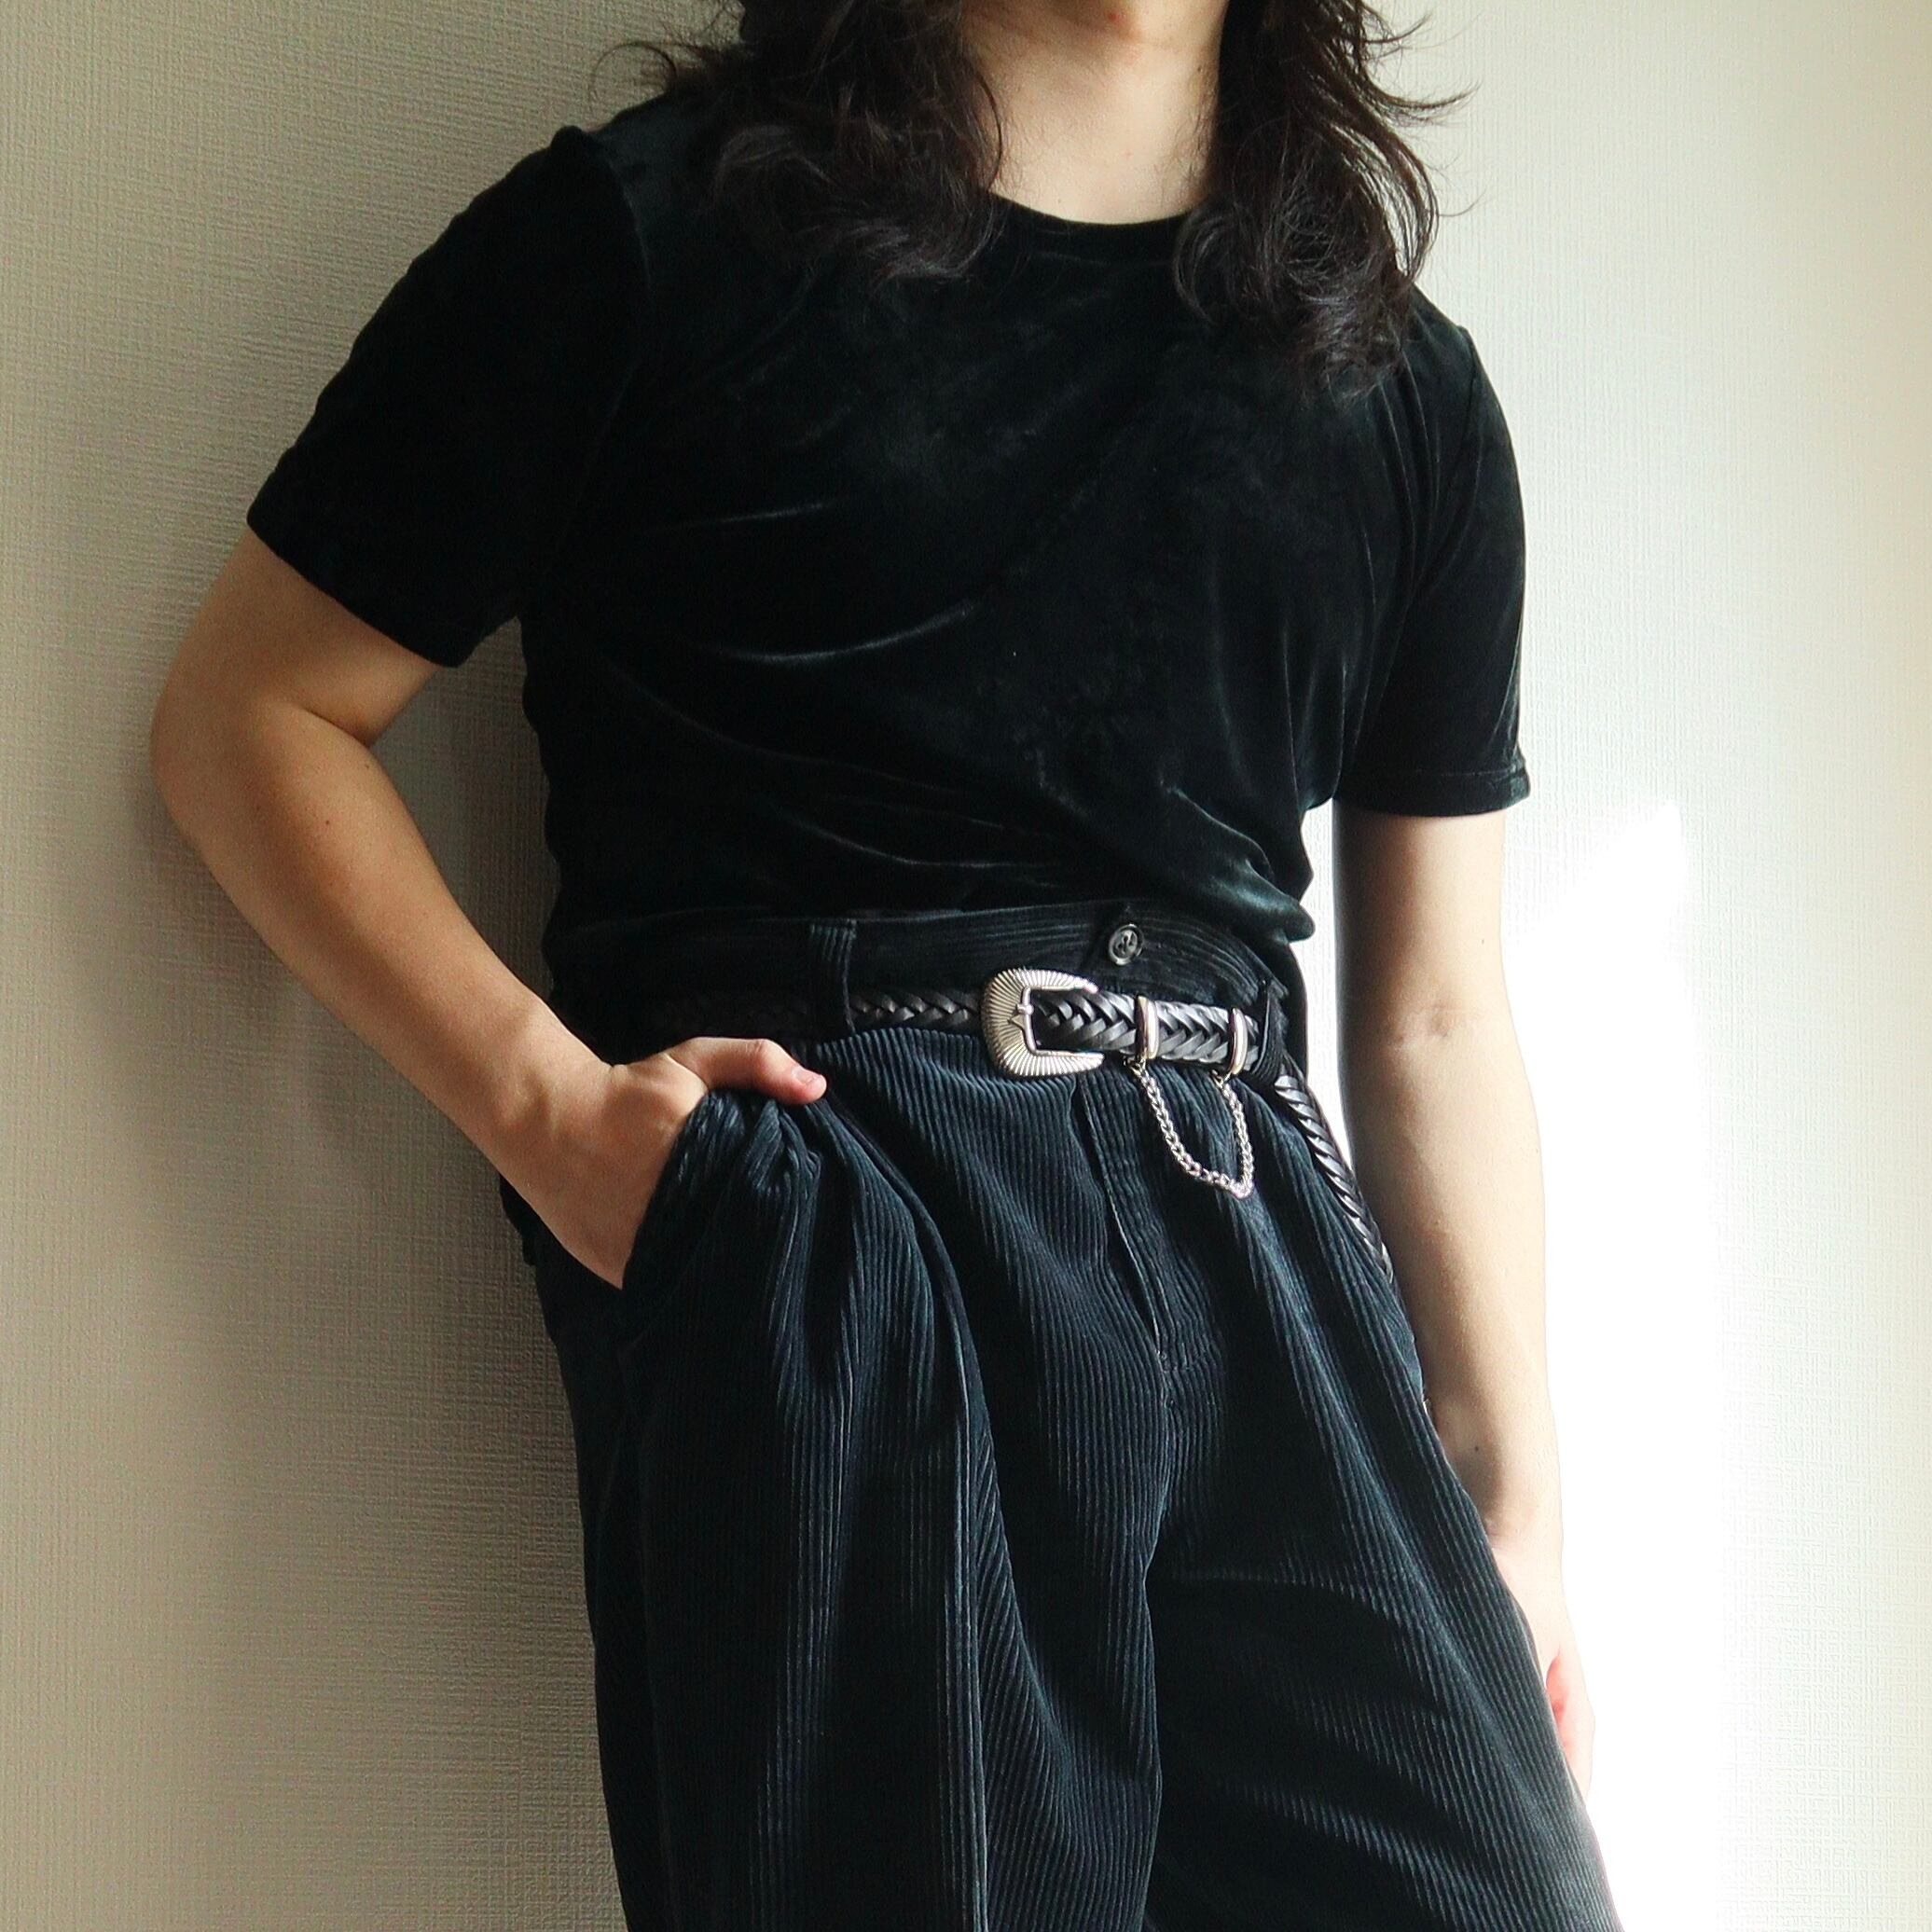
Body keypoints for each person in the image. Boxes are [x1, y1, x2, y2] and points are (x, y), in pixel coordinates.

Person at [149, 0, 1629, 1924]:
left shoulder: (1395, 383)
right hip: (847, 1217)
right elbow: (249, 717)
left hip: (1254, 1220)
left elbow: (1432, 1015)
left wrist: (1514, 1497)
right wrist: (556, 1123)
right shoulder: (649, 238)